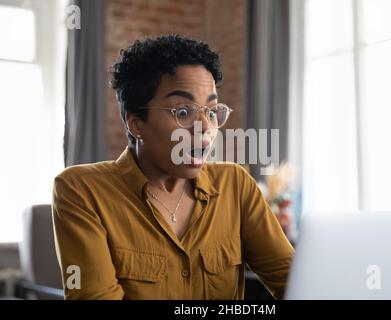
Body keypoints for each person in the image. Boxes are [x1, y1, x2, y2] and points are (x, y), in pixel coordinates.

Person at [52, 34, 294, 300]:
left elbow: (292, 281)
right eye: (182, 112)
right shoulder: (80, 190)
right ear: (136, 123)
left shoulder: (235, 185)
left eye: (212, 112)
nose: (205, 128)